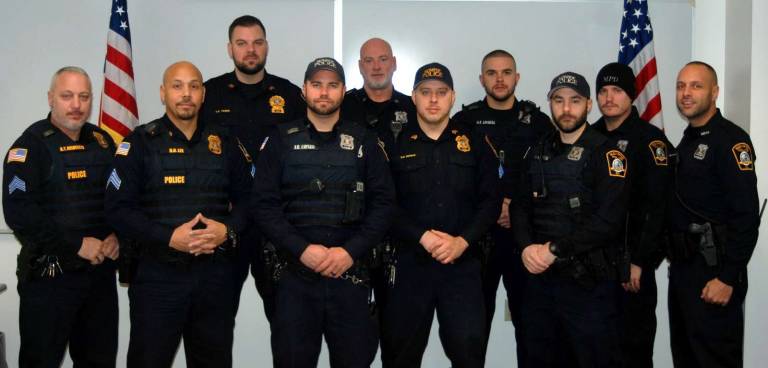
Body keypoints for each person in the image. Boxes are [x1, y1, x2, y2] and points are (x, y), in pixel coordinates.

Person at [105, 61, 252, 368]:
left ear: (203, 94)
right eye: (177, 86)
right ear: (163, 93)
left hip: (214, 278)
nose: (186, 94)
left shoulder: (224, 143)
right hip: (158, 277)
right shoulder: (140, 143)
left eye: (194, 86)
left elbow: (251, 201)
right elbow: (118, 209)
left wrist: (228, 230)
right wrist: (169, 237)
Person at [253, 57, 395, 368]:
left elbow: (384, 205)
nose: (324, 93)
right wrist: (302, 250)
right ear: (304, 90)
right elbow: (264, 206)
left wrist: (349, 251)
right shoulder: (279, 141)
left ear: (343, 91)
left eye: (332, 85)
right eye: (316, 85)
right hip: (294, 277)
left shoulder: (364, 141)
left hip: (351, 276)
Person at [380, 62, 500, 368]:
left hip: (462, 266)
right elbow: (383, 204)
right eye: (426, 92)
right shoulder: (392, 144)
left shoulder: (474, 143)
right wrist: (422, 237)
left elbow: (490, 202)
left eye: (441, 92)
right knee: (400, 354)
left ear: (452, 96)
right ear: (414, 97)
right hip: (408, 265)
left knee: (469, 352)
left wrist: (462, 242)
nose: (433, 99)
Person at [509, 71, 628, 367]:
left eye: (574, 101)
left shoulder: (606, 154)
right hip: (540, 282)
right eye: (558, 100)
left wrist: (553, 250)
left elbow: (607, 222)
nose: (566, 108)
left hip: (588, 286)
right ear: (550, 103)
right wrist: (526, 248)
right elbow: (520, 207)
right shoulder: (537, 150)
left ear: (589, 105)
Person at [3, 66, 118, 368]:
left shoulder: (103, 142)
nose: (76, 105)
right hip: (50, 280)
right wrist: (76, 244)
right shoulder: (30, 146)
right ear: (51, 98)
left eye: (83, 96)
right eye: (67, 96)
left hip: (99, 277)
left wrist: (117, 236)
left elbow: (120, 201)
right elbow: (20, 213)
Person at [201, 14, 305, 319]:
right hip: (226, 222)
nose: (250, 50)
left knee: (286, 322)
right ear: (229, 48)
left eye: (257, 42)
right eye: (242, 43)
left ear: (266, 47)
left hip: (277, 224)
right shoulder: (209, 94)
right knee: (215, 323)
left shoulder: (289, 95)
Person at [452, 49, 553, 358]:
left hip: (524, 239)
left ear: (517, 77)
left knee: (532, 327)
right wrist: (492, 208)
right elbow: (454, 179)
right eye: (492, 73)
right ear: (481, 79)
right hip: (477, 240)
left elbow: (551, 178)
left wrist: (517, 208)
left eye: (506, 72)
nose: (499, 79)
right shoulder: (464, 121)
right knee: (471, 331)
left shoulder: (538, 122)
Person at [667, 61, 759, 368]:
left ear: (715, 92)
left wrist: (728, 277)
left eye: (696, 86)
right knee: (686, 357)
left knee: (714, 359)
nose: (686, 93)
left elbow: (746, 217)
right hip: (684, 270)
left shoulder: (730, 140)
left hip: (714, 271)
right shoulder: (689, 139)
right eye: (681, 86)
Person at [592, 62, 671, 368]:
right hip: (593, 267)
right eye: (603, 91)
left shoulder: (649, 141)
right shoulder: (590, 137)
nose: (609, 97)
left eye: (617, 91)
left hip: (631, 267)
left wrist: (641, 261)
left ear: (632, 95)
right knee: (595, 350)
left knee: (633, 351)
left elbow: (657, 207)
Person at [341, 37, 416, 149]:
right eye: (369, 61)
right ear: (360, 66)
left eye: (383, 59)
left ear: (394, 63)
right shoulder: (342, 106)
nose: (376, 67)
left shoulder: (413, 108)